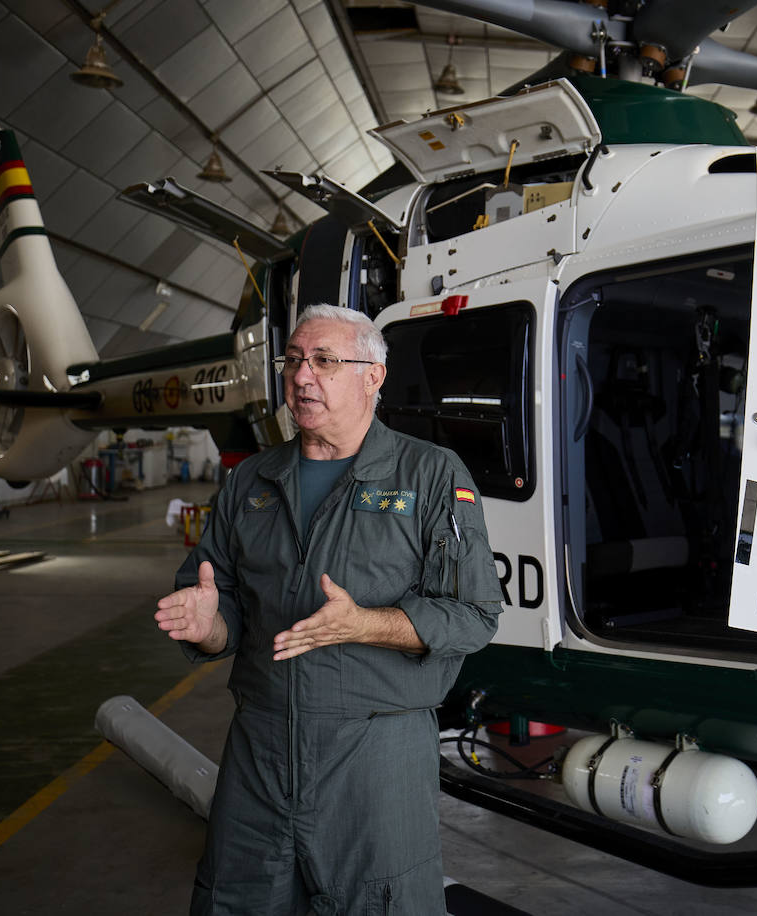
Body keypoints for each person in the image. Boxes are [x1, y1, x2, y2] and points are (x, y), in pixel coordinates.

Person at [155, 304, 503, 914]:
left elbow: (474, 613)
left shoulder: (429, 474)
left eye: (324, 361)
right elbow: (224, 605)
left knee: (381, 903)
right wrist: (209, 625)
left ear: (374, 376)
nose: (302, 376)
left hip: (375, 754)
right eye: (293, 360)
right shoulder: (250, 482)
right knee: (236, 900)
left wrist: (364, 624)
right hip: (259, 750)